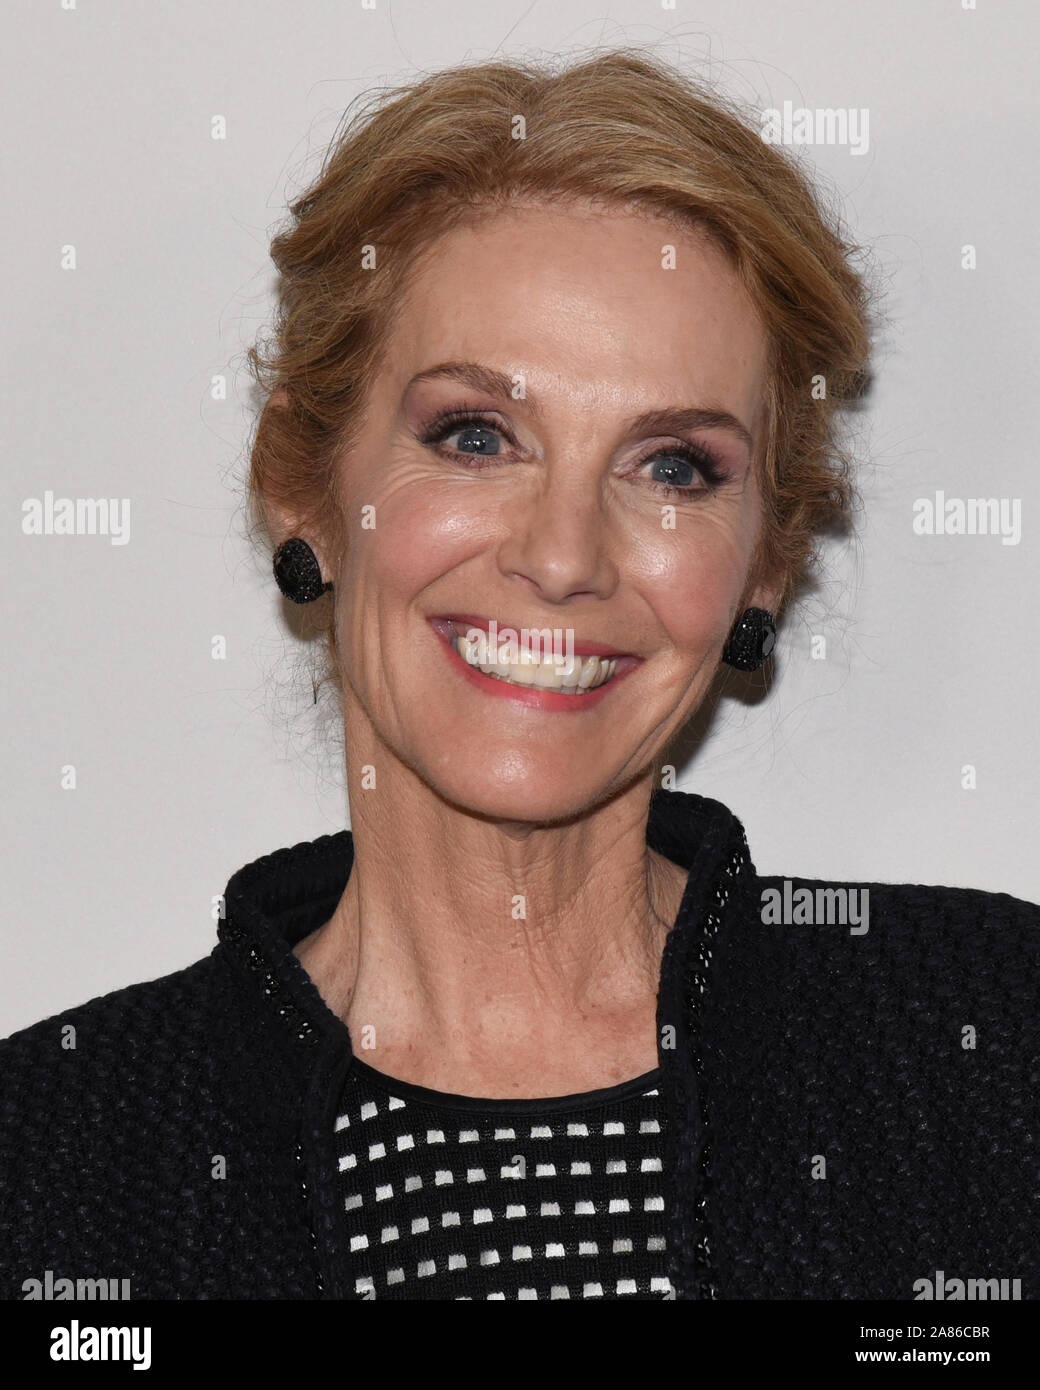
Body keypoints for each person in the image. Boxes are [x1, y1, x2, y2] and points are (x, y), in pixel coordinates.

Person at [2, 49, 1036, 1303]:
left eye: (672, 467)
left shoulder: (991, 1041)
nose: (561, 557)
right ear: (302, 486)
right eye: (476, 437)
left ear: (764, 565)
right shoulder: (49, 1155)